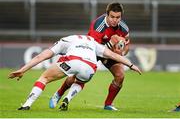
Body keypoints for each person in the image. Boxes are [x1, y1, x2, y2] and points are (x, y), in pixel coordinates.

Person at [8, 35, 141, 110]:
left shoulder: (66, 40)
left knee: (44, 78)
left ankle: (27, 105)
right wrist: (131, 65)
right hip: (90, 66)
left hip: (71, 61)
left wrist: (22, 70)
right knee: (81, 80)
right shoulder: (93, 43)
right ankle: (68, 98)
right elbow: (113, 55)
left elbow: (41, 56)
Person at [49, 2, 131, 111]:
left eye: (118, 17)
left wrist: (121, 52)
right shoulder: (98, 26)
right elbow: (95, 50)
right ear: (107, 15)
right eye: (112, 17)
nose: (115, 20)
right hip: (91, 51)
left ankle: (108, 104)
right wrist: (111, 44)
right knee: (77, 77)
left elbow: (126, 47)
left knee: (120, 75)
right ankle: (59, 93)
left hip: (109, 53)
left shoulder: (124, 28)